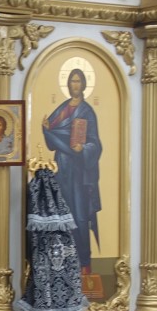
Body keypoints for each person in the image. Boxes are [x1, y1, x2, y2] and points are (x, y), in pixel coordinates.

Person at [41, 67, 102, 280]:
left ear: (84, 84)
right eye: (72, 81)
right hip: (62, 168)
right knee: (63, 213)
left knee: (80, 215)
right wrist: (46, 128)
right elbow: (52, 137)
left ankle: (84, 263)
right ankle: (64, 262)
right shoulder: (63, 108)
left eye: (78, 81)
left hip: (79, 172)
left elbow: (95, 144)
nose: (75, 85)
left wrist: (82, 149)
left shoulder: (87, 112)